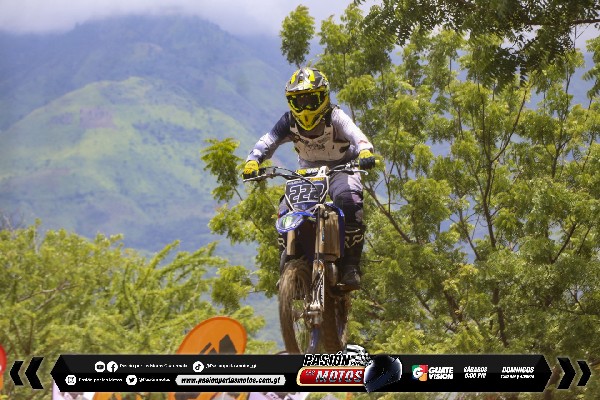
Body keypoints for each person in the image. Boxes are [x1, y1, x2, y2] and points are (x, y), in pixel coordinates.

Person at [242, 67, 376, 290]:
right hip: (308, 173)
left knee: (349, 200)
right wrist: (253, 161)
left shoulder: (335, 116)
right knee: (286, 210)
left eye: (310, 100)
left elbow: (356, 134)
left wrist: (364, 151)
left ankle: (350, 266)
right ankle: (290, 262)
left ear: (323, 97)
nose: (304, 107)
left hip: (342, 167)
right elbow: (268, 141)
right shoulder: (289, 121)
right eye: (299, 101)